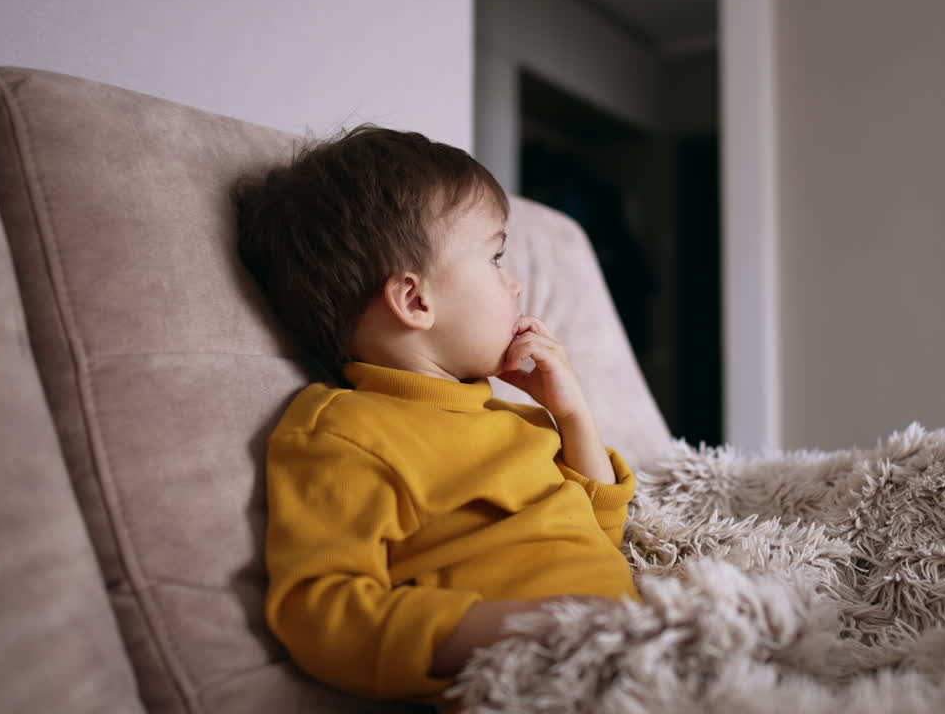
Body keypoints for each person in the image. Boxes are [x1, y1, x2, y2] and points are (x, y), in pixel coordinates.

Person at [232, 125, 640, 709]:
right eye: (495, 258)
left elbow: (602, 538)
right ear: (415, 301)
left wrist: (571, 414)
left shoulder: (510, 417)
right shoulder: (345, 431)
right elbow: (321, 611)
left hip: (637, 658)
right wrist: (509, 628)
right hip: (538, 685)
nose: (515, 281)